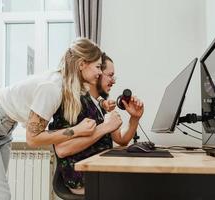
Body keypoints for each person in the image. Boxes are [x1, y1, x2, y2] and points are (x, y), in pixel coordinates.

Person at [0, 38, 104, 200]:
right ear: (82, 64)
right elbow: (33, 139)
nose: (100, 72)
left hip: (2, 126)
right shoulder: (52, 88)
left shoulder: (67, 85)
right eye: (98, 66)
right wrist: (76, 130)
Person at [49, 53, 144, 195]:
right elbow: (62, 149)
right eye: (110, 75)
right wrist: (104, 128)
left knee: (143, 179)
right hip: (82, 178)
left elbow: (121, 139)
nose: (113, 81)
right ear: (97, 73)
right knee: (144, 184)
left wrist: (134, 118)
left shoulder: (100, 103)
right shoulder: (74, 101)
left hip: (98, 172)